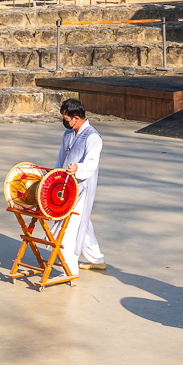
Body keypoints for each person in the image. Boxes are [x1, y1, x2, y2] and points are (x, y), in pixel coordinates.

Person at [53, 98, 106, 275]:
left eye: (66, 119)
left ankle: (68, 270)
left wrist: (78, 168)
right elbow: (61, 158)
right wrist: (54, 176)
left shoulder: (93, 137)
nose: (65, 122)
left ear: (76, 118)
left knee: (71, 226)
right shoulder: (68, 134)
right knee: (83, 222)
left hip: (82, 188)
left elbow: (91, 163)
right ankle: (97, 259)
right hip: (65, 185)